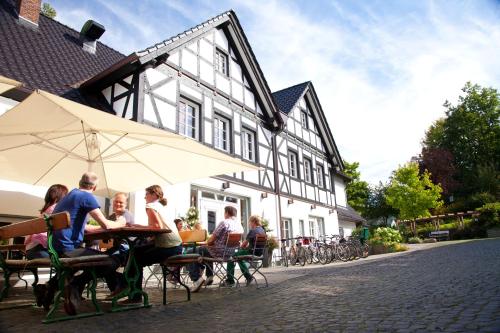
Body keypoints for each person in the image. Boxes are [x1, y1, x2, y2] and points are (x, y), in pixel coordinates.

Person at [42, 172, 126, 315]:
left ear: (80, 183)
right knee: (112, 261)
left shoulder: (68, 197)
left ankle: (50, 286)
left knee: (79, 265)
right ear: (94, 187)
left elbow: (83, 225)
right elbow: (107, 225)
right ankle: (75, 285)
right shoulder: (86, 197)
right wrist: (120, 222)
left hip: (55, 250)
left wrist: (99, 227)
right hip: (68, 250)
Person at [127, 185, 183, 303]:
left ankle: (133, 294)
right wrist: (137, 226)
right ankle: (128, 289)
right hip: (177, 246)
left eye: (146, 194)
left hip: (167, 247)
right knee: (135, 251)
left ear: (154, 194)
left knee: (135, 257)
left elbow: (157, 227)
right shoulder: (162, 206)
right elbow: (157, 228)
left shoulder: (150, 206)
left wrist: (137, 228)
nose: (144, 197)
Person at [189, 206, 243, 292]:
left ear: (227, 213)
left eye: (224, 212)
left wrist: (207, 242)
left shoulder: (224, 223)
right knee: (205, 251)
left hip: (218, 252)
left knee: (191, 252)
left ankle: (196, 279)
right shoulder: (239, 225)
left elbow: (211, 240)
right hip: (230, 253)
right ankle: (209, 276)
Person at [25, 184, 68, 260]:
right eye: (66, 195)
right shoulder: (57, 208)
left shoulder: (45, 212)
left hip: (31, 250)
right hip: (41, 251)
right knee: (71, 257)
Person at [222, 215, 266, 287]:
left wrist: (240, 247)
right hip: (259, 253)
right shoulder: (262, 231)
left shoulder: (253, 231)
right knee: (239, 258)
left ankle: (230, 281)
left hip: (251, 252)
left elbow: (243, 245)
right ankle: (248, 277)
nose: (249, 224)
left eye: (250, 222)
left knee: (231, 256)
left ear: (253, 222)